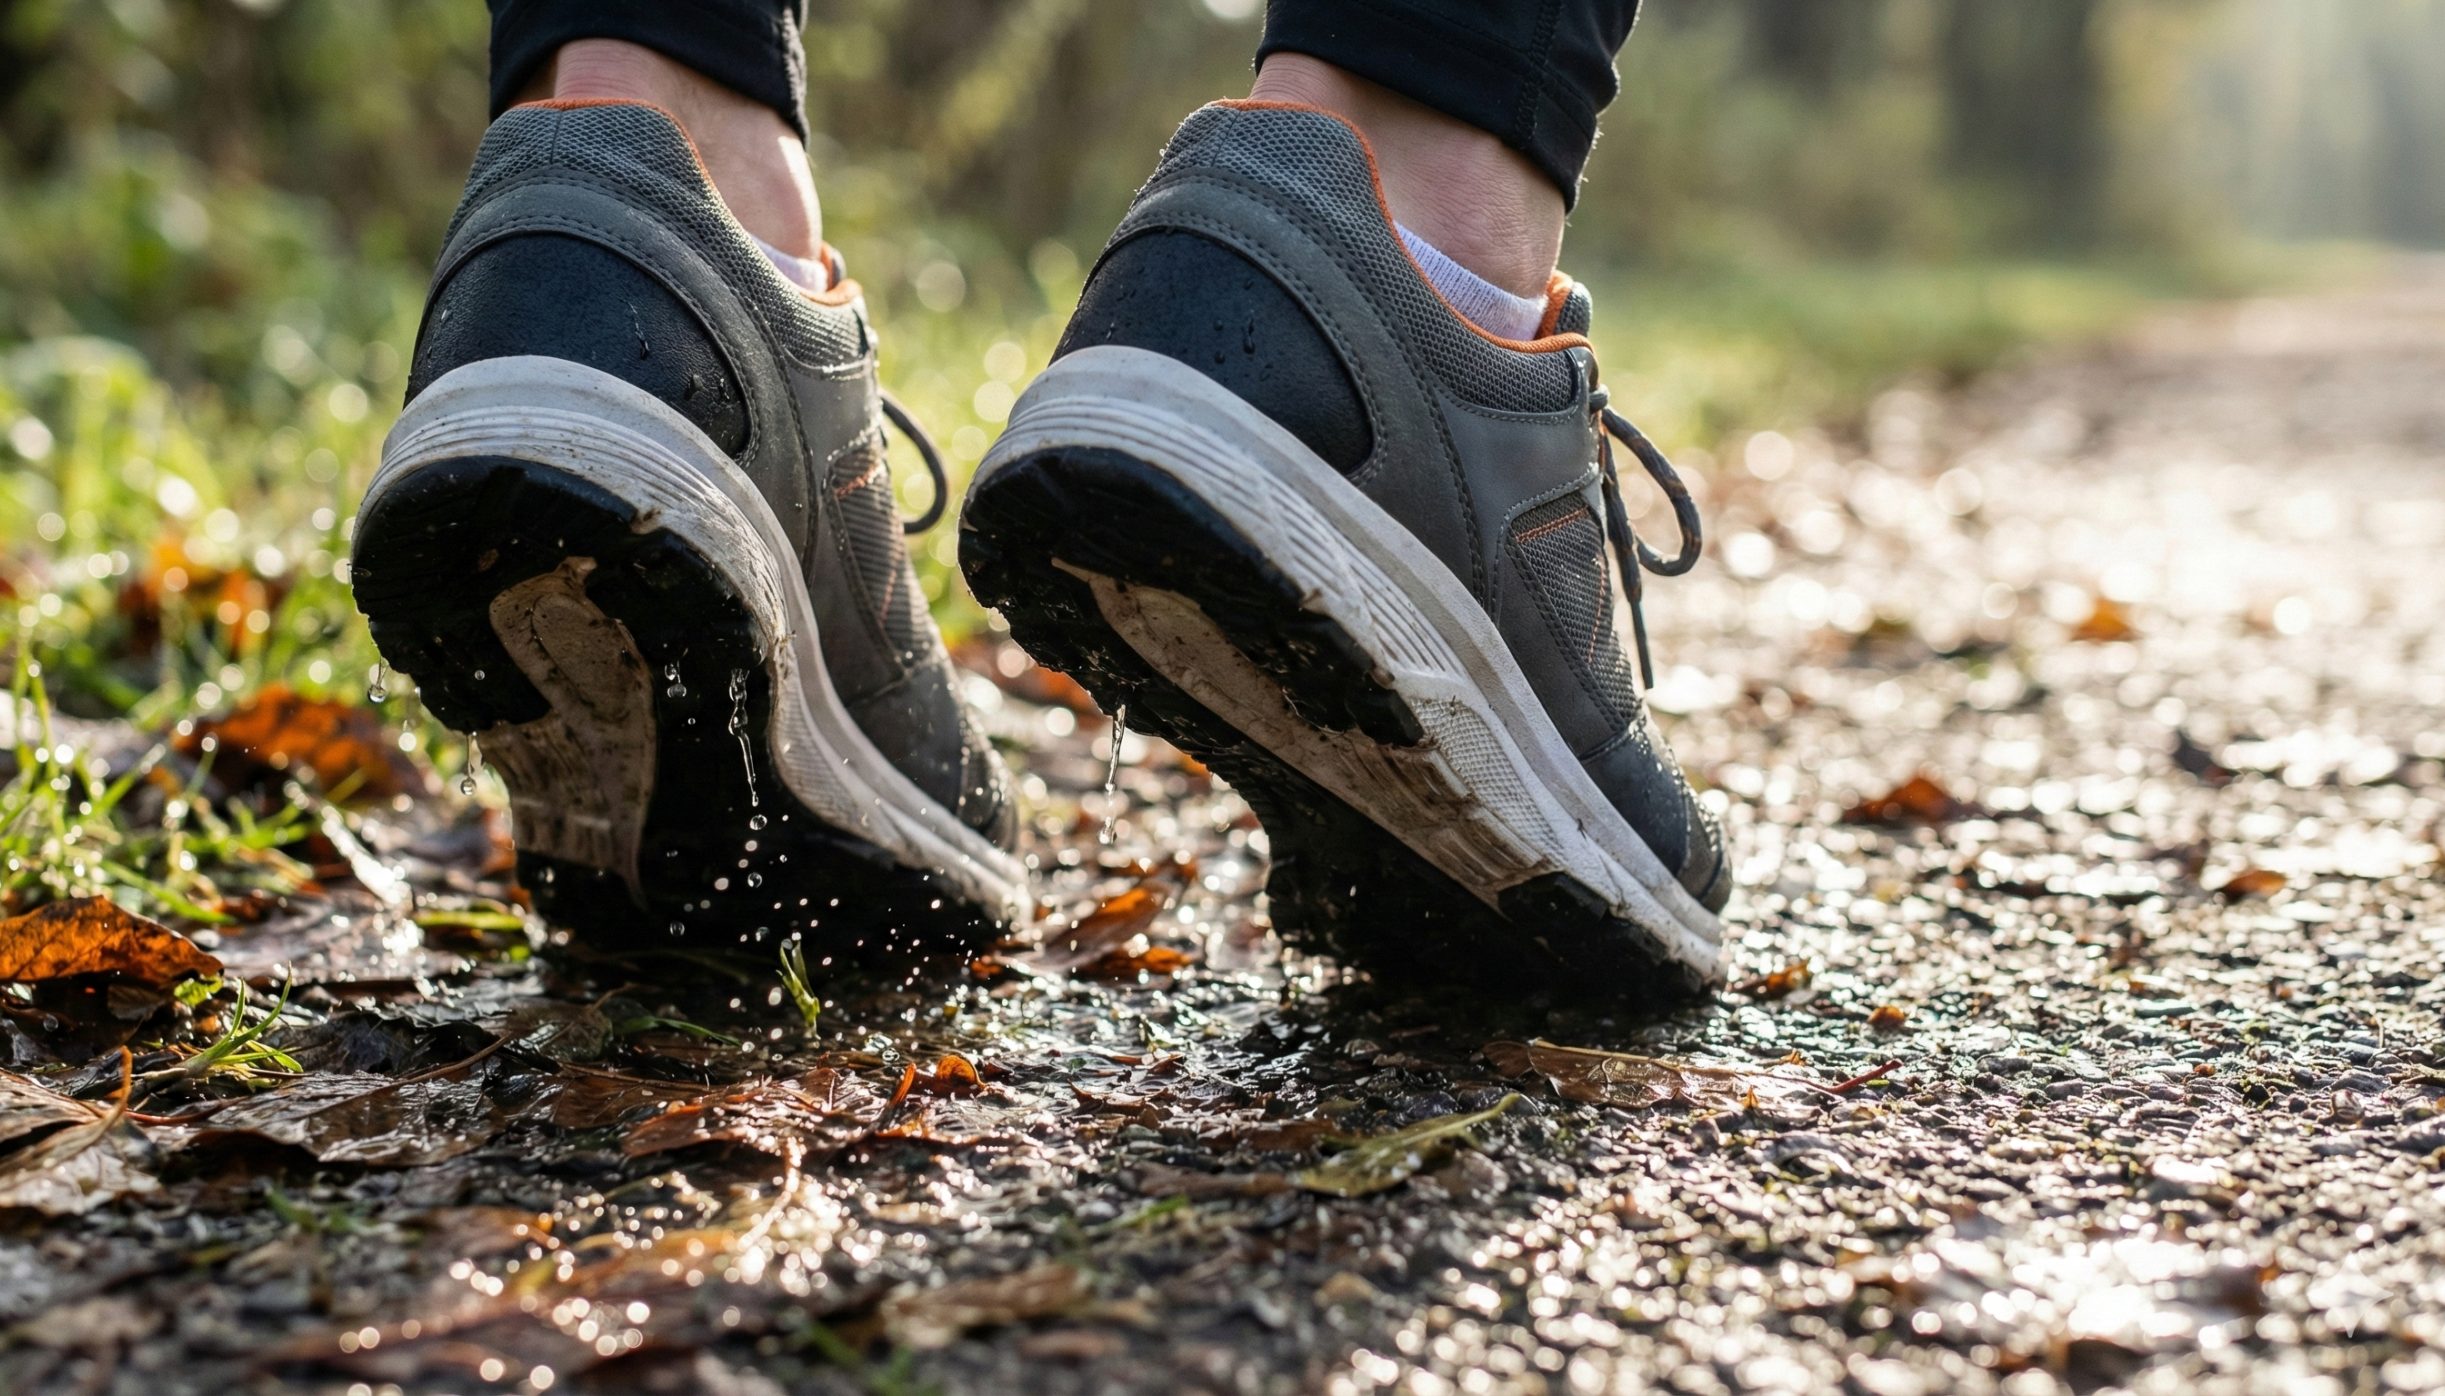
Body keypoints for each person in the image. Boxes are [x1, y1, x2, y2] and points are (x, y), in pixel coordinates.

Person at [349, 0, 1731, 997]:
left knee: (640, 45)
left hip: (537, 261)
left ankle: (642, 234)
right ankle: (1420, 231)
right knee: (1425, 120)